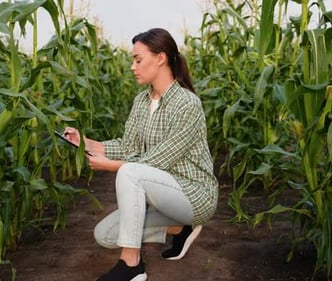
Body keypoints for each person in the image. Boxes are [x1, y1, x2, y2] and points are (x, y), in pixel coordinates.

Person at [63, 28, 219, 281]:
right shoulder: (141, 101)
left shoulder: (188, 104)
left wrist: (110, 166)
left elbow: (158, 160)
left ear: (160, 58)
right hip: (163, 193)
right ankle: (181, 229)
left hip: (194, 195)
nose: (133, 67)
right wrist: (86, 142)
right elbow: (128, 146)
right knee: (105, 234)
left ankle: (131, 265)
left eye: (138, 59)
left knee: (129, 172)